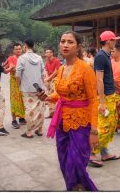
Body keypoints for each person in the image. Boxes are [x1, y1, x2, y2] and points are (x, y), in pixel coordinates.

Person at [37, 30, 98, 191]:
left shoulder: (85, 69)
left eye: (70, 42)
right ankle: (74, 187)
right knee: (63, 160)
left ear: (78, 47)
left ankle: (84, 187)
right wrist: (48, 97)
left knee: (76, 161)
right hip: (62, 121)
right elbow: (61, 93)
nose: (65, 45)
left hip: (81, 122)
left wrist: (94, 130)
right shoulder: (62, 69)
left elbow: (93, 99)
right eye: (63, 41)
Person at [89, 30, 120, 167]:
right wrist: (102, 102)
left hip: (110, 95)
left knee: (112, 124)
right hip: (105, 97)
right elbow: (99, 80)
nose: (115, 42)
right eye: (114, 40)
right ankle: (91, 153)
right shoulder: (101, 57)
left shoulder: (106, 55)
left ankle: (104, 152)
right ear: (108, 41)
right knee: (104, 126)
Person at [16, 38, 46, 138]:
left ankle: (29, 132)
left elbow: (18, 74)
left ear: (25, 45)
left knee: (29, 110)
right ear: (33, 46)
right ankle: (40, 130)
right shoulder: (39, 57)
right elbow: (42, 73)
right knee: (40, 109)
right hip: (38, 88)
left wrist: (19, 84)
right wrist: (43, 85)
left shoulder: (22, 58)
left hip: (27, 88)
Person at [4, 43, 26, 129]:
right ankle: (13, 120)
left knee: (22, 99)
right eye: (16, 49)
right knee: (14, 100)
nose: (18, 50)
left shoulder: (23, 58)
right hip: (14, 82)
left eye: (20, 49)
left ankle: (21, 117)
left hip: (23, 82)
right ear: (13, 50)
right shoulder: (11, 58)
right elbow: (12, 68)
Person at [44, 47, 61, 118]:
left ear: (52, 53)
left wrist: (49, 78)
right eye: (46, 52)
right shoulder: (47, 62)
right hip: (49, 80)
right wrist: (47, 78)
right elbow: (46, 70)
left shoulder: (56, 61)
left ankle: (56, 113)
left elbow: (56, 71)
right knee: (49, 96)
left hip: (55, 80)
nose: (47, 53)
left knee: (54, 96)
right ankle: (51, 113)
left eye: (49, 52)